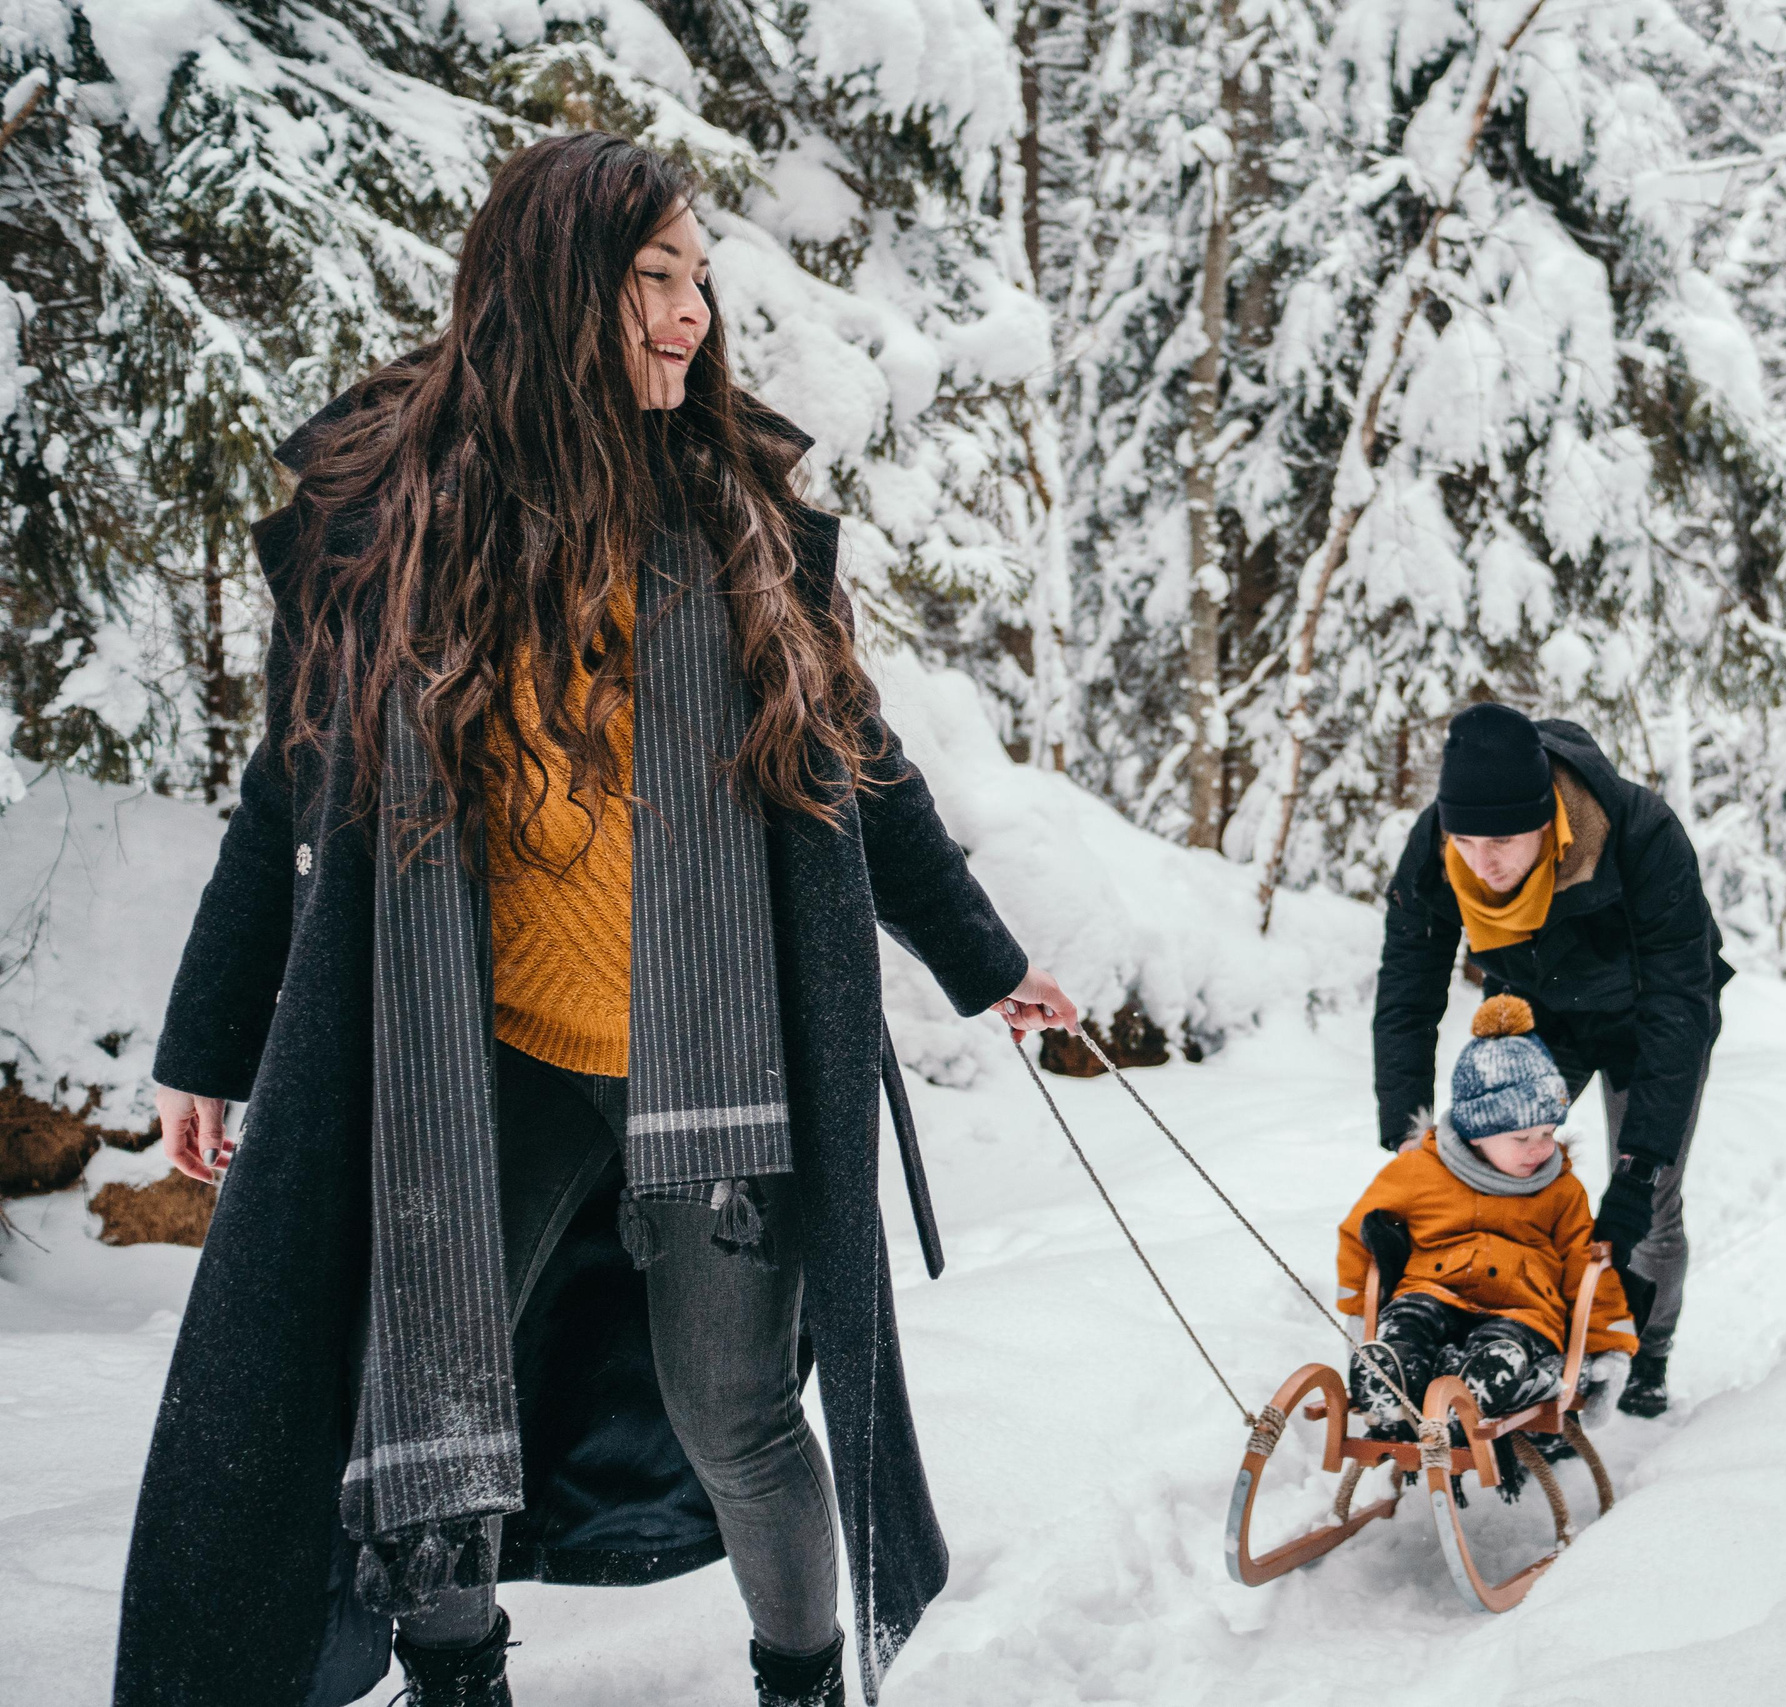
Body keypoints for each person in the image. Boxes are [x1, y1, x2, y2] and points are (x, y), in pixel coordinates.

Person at [115, 133, 1077, 1707]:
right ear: (556, 287)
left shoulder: (735, 526)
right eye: (654, 277)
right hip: (486, 1054)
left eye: (700, 278)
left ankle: (803, 1683)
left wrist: (988, 961)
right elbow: (288, 792)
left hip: (715, 1060)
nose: (693, 313)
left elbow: (858, 771)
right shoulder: (392, 537)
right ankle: (458, 1678)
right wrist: (205, 1045)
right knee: (422, 1393)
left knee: (737, 1412)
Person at [1373, 703, 1732, 1419]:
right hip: (1535, 1012)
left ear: (1547, 821)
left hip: (1647, 1018)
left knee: (1649, 1204)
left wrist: (1638, 1169)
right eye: (1466, 840)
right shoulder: (1437, 845)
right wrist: (1407, 1133)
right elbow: (1409, 986)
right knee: (1484, 1174)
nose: (1483, 863)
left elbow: (1679, 1002)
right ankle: (1493, 1332)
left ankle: (1646, 1352)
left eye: (1503, 841)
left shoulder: (1640, 831)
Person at [1336, 997, 1637, 1462]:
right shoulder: (1419, 1172)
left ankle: (1482, 1392)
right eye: (1522, 1138)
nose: (1539, 1148)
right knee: (1405, 1329)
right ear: (1476, 1132)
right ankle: (1391, 1384)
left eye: (1547, 1132)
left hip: (1523, 1312)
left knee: (1502, 1354)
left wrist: (1610, 1349)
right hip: (1430, 1293)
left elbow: (1588, 1267)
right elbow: (1360, 1232)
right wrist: (1360, 1311)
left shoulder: (1560, 1190)